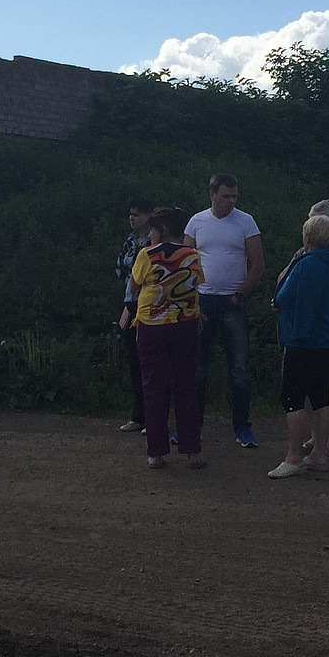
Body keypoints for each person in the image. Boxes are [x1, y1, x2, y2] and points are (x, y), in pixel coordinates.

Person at [186, 173, 264, 448]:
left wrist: (241, 294)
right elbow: (184, 262)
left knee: (239, 369)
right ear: (212, 195)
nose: (231, 201)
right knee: (197, 367)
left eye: (234, 197)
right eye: (226, 196)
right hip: (203, 302)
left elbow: (258, 264)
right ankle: (191, 426)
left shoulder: (246, 221)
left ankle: (242, 427)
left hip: (233, 302)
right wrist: (190, 295)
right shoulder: (197, 221)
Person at [269, 213, 329, 480]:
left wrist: (295, 330)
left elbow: (299, 300)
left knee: (293, 397)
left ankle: (294, 457)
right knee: (320, 395)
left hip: (306, 341)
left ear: (308, 237)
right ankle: (320, 454)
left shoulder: (309, 265)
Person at [130, 207, 206, 469]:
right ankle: (192, 450)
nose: (150, 234)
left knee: (153, 387)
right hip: (185, 324)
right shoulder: (193, 255)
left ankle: (156, 452)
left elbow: (134, 285)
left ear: (161, 230)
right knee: (186, 386)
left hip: (152, 326)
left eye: (152, 229)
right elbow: (197, 282)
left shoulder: (147, 254)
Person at [114, 197, 156, 433]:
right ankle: (138, 415)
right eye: (130, 214)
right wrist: (131, 283)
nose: (132, 218)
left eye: (137, 214)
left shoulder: (155, 241)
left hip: (150, 304)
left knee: (151, 361)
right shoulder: (130, 241)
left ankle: (153, 416)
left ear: (149, 216)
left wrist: (141, 285)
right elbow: (119, 266)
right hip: (131, 303)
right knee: (134, 359)